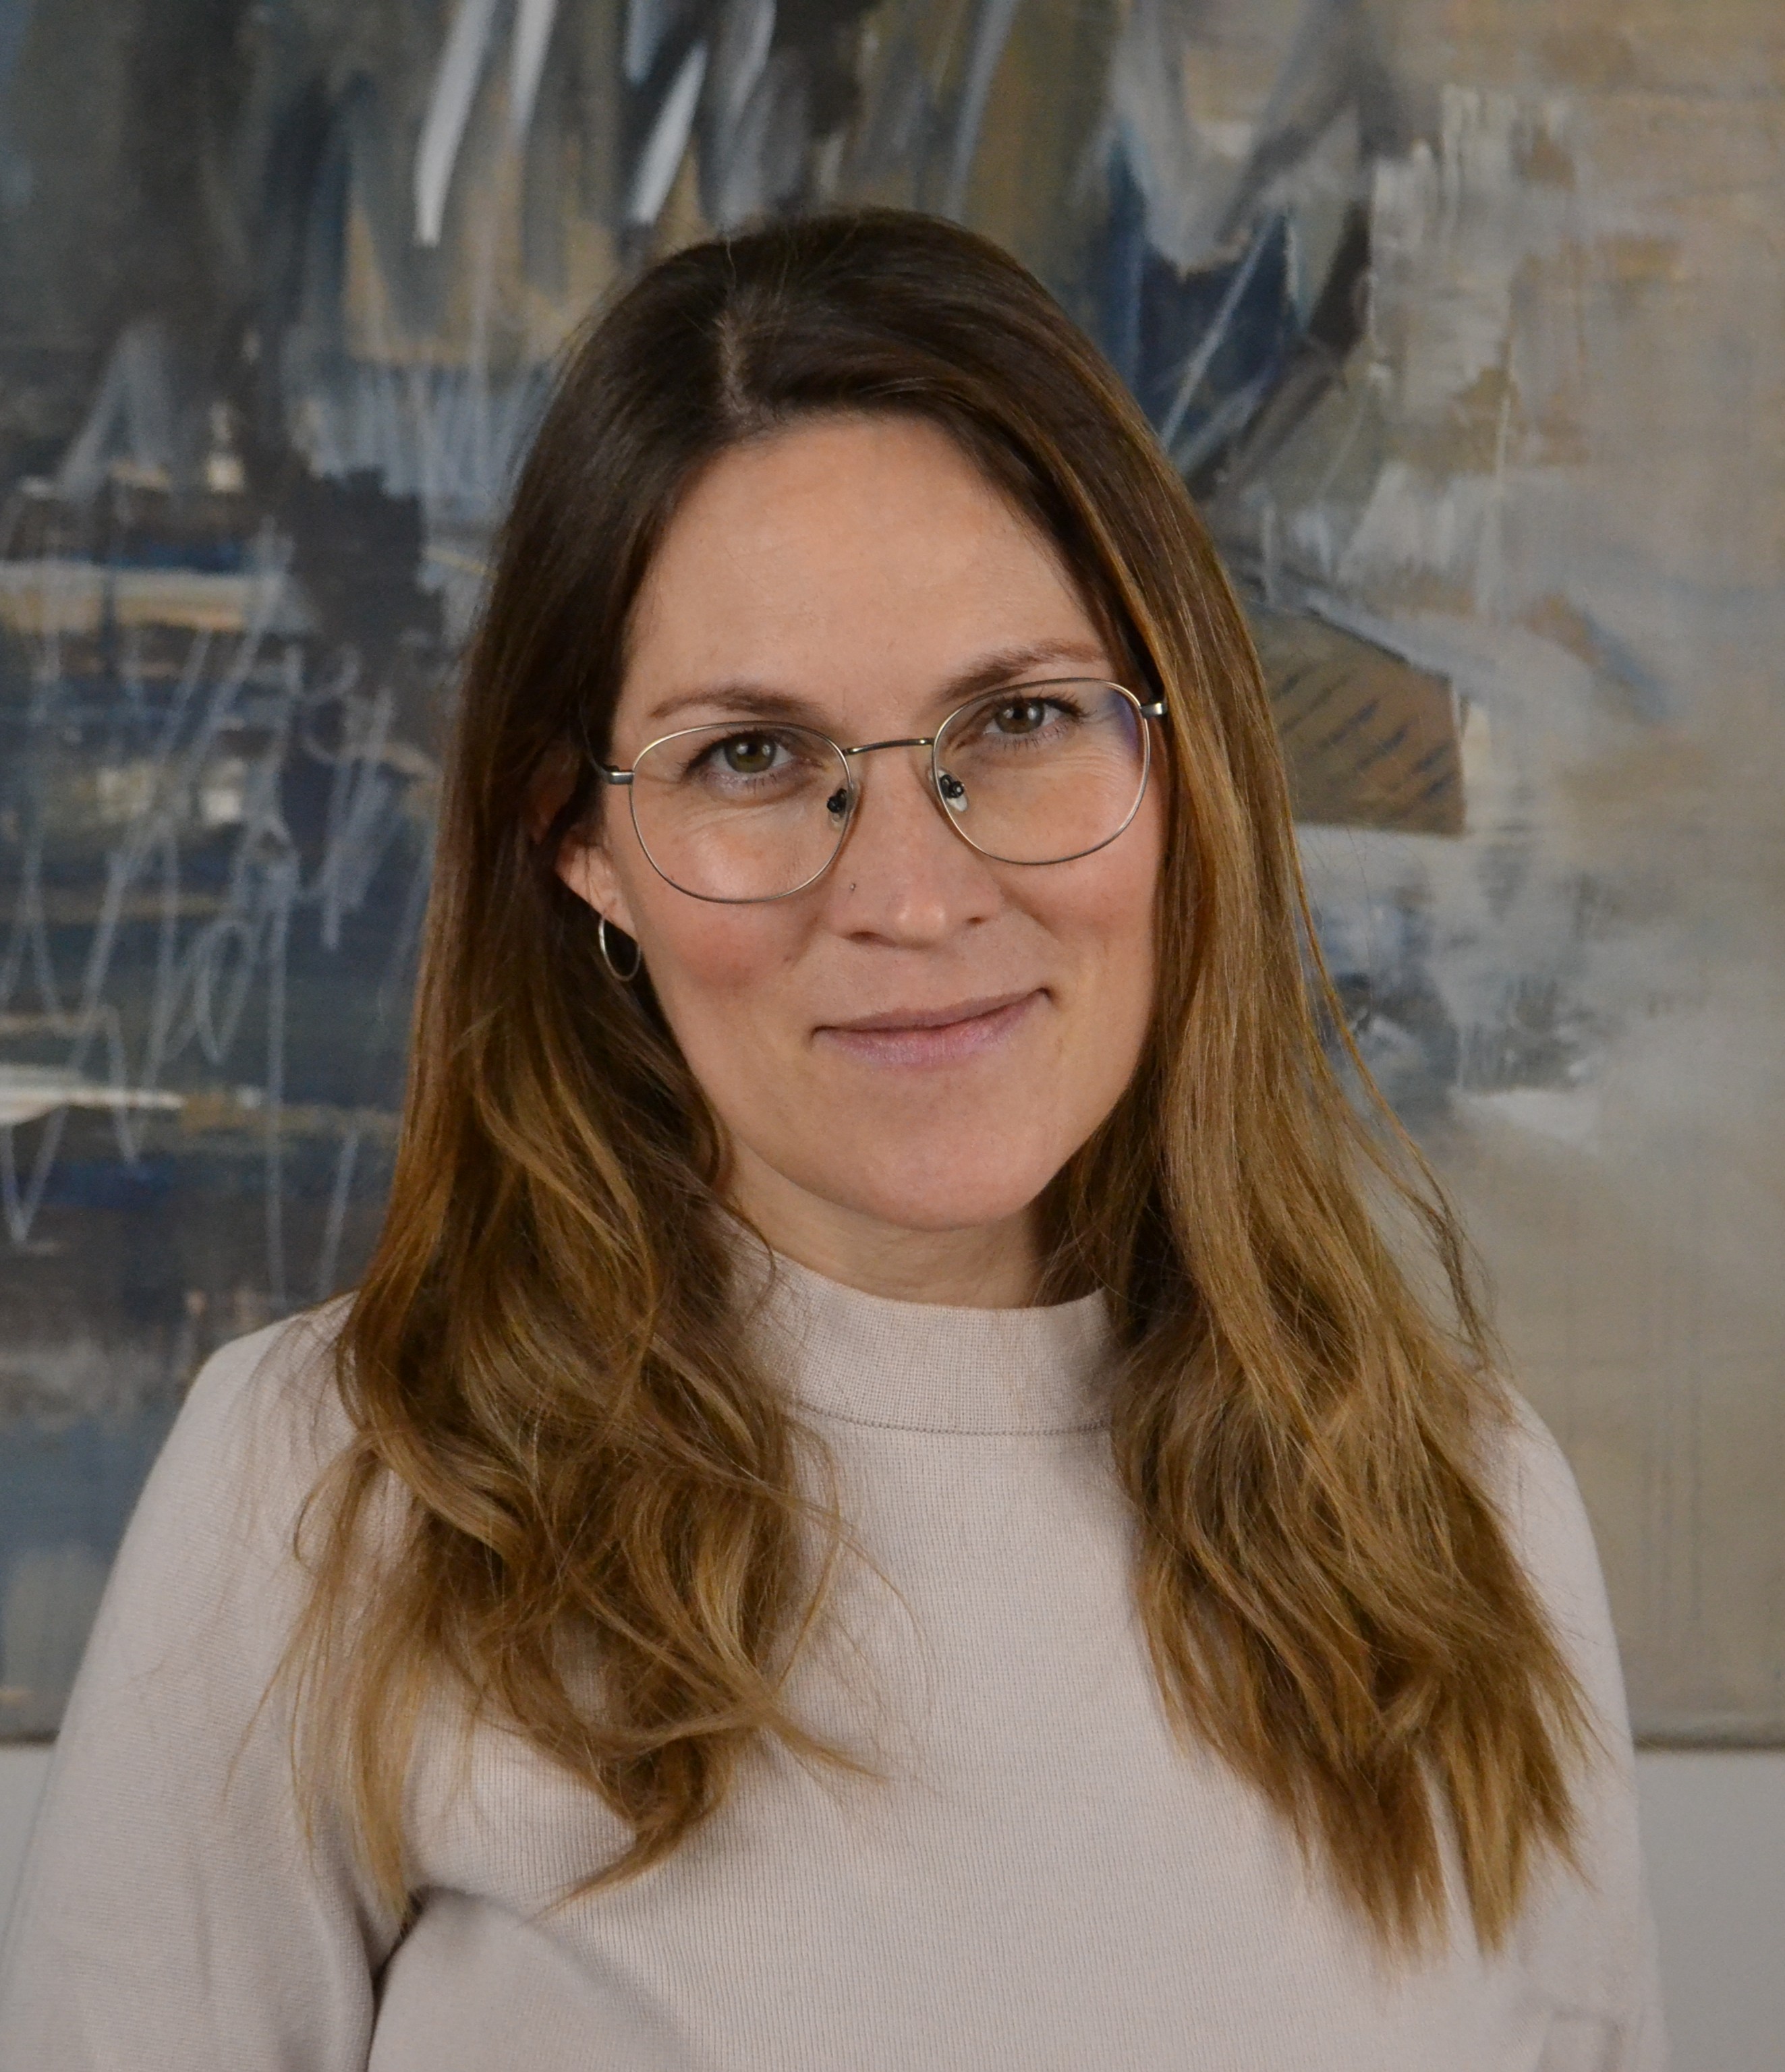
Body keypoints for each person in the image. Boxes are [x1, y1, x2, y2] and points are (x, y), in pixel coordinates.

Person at [0, 209, 1664, 2071]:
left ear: (1178, 763)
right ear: (582, 843)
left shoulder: (1471, 1513)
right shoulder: (326, 1498)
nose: (914, 896)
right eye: (751, 757)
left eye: (1019, 717)